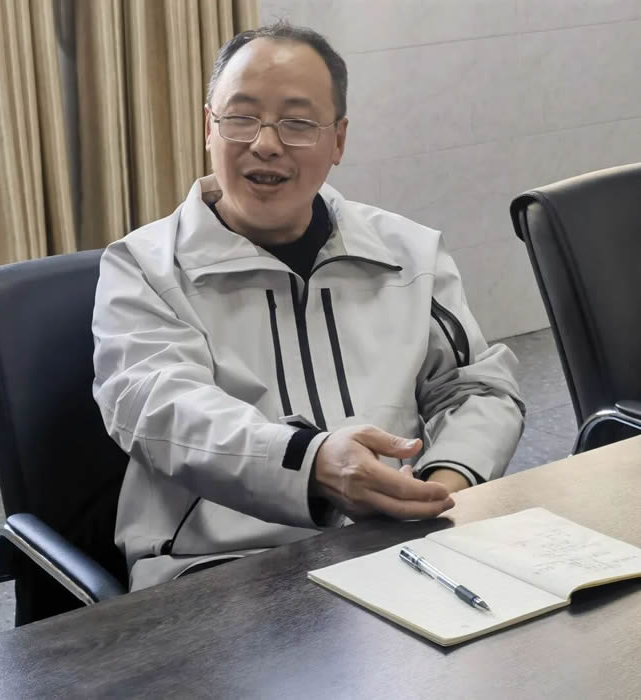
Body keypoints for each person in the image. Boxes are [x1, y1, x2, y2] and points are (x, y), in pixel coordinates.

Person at [92, 22, 525, 591]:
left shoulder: (409, 253)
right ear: (208, 127)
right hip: (220, 571)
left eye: (297, 123)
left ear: (338, 140)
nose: (265, 144)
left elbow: (476, 389)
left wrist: (438, 486)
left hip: (397, 543)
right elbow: (163, 411)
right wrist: (312, 464)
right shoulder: (144, 267)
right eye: (241, 117)